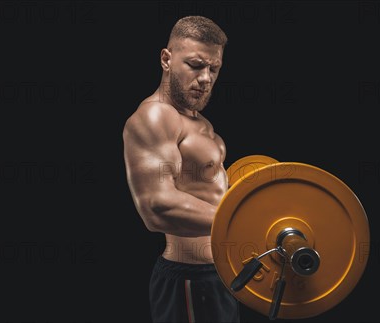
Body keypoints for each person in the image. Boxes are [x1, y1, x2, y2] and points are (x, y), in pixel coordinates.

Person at [122, 16, 239, 323]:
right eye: (196, 65)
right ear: (166, 58)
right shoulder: (156, 116)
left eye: (214, 68)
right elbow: (156, 206)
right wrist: (246, 222)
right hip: (189, 279)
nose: (206, 78)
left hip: (219, 275)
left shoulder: (200, 123)